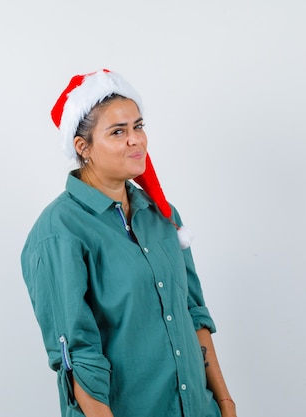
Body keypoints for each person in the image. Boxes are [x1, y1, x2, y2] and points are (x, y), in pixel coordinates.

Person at [21, 69, 237, 417]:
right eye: (118, 132)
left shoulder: (162, 216)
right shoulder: (59, 232)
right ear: (83, 147)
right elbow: (78, 358)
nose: (136, 140)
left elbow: (194, 314)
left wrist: (225, 404)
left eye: (138, 126)